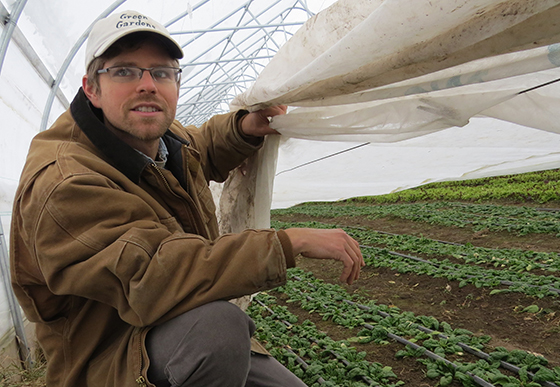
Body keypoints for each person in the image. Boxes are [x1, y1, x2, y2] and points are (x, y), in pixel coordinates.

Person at [10, 10, 364, 387]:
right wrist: (288, 243)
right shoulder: (65, 183)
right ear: (91, 88)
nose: (147, 85)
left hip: (170, 333)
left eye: (161, 72)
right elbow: (153, 275)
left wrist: (244, 127)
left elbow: (198, 147)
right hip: (112, 360)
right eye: (124, 71)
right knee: (218, 331)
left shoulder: (156, 139)